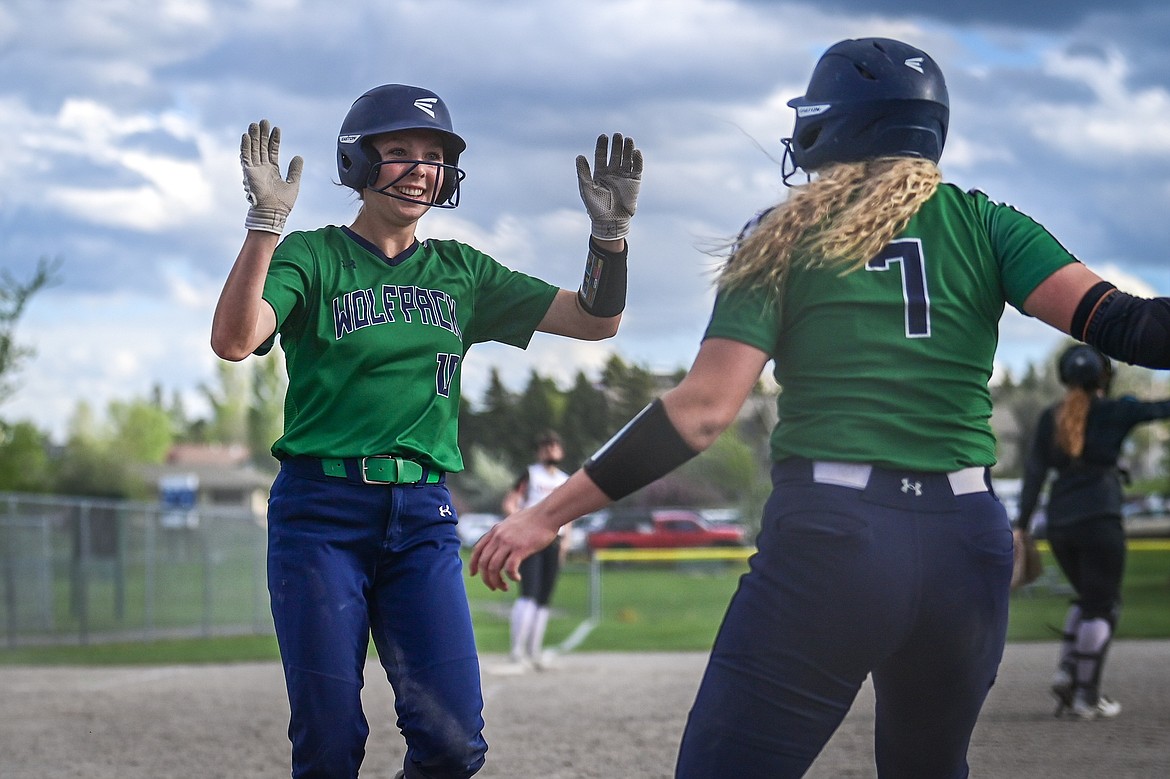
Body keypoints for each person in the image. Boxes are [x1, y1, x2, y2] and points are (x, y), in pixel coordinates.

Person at [470, 37, 1170, 778]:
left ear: (840, 127)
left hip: (837, 538)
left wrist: (549, 511)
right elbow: (1132, 327)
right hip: (968, 542)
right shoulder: (986, 223)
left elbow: (704, 411)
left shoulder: (785, 233)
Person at [210, 84, 642, 779]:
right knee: (327, 740)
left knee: (453, 743)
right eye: (400, 150)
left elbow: (595, 320)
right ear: (357, 161)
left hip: (422, 517)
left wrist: (609, 240)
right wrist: (265, 225)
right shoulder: (313, 257)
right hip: (321, 514)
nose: (420, 168)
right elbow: (234, 340)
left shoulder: (460, 271)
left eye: (435, 157)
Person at [1016, 344, 1170, 720]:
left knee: (1088, 598)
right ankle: (1086, 696)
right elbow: (1162, 409)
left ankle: (1068, 670)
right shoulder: (1118, 410)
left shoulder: (1051, 417)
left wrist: (1021, 524)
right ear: (1106, 376)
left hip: (1060, 522)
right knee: (1104, 605)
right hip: (1100, 518)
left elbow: (1035, 474)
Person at [499, 430, 572, 672]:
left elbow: (569, 513)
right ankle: (517, 651)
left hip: (554, 541)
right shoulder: (531, 475)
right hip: (531, 541)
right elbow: (510, 502)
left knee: (543, 599)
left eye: (555, 445)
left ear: (561, 450)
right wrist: (522, 523)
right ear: (539, 451)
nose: (551, 449)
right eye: (546, 446)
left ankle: (534, 651)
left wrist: (566, 542)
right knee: (528, 594)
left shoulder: (564, 479)